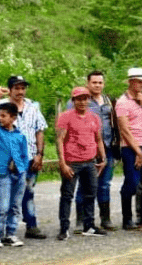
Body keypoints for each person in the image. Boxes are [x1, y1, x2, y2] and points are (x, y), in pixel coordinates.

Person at [0, 75, 49, 240]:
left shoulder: (33, 107)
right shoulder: (1, 106)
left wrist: (39, 154)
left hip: (29, 157)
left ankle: (31, 226)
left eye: (23, 88)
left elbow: (40, 130)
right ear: (10, 90)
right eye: (16, 88)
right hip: (7, 160)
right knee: (3, 195)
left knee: (28, 192)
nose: (20, 91)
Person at [54, 87, 109, 240]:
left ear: (89, 100)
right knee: (67, 195)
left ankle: (89, 225)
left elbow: (98, 139)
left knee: (90, 194)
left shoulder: (94, 117)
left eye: (85, 99)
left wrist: (103, 158)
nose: (82, 102)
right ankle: (64, 228)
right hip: (72, 161)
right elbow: (59, 140)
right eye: (79, 99)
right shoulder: (65, 117)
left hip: (90, 161)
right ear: (73, 101)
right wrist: (63, 163)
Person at [68, 71, 119, 231]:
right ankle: (81, 220)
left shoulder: (108, 101)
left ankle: (105, 219)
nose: (97, 85)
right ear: (88, 83)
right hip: (85, 150)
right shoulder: (79, 101)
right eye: (94, 82)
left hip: (107, 147)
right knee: (84, 185)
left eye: (100, 82)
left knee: (104, 184)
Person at [0, 101, 29, 248]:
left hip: (18, 174)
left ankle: (11, 233)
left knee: (15, 205)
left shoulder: (20, 136)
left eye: (3, 116)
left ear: (13, 118)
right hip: (3, 173)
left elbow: (24, 155)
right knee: (2, 205)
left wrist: (21, 167)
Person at [116, 67, 142, 230]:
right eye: (139, 82)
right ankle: (127, 218)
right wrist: (138, 151)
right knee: (132, 182)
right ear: (131, 82)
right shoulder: (122, 102)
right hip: (131, 146)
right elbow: (124, 130)